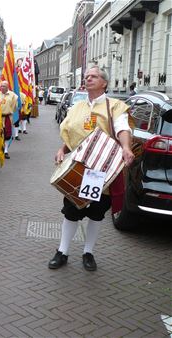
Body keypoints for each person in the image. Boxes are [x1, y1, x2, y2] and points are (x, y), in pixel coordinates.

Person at [48, 65, 134, 272]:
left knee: (96, 213)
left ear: (104, 82)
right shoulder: (77, 107)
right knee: (71, 210)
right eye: (86, 76)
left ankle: (88, 252)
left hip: (101, 172)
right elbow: (72, 135)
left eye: (93, 76)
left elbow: (123, 128)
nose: (88, 79)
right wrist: (62, 149)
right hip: (78, 167)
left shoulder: (114, 106)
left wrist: (126, 147)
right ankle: (63, 252)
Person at [0, 81, 17, 159]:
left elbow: (14, 107)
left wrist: (8, 112)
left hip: (7, 117)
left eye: (4, 86)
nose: (2, 87)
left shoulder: (13, 96)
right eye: (1, 86)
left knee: (7, 135)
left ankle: (5, 151)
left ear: (8, 87)